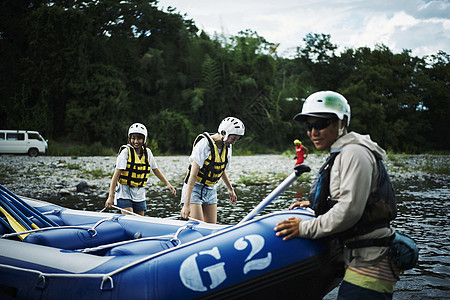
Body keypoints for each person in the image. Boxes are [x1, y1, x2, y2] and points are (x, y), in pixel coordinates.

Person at [274, 91, 399, 299]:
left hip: (371, 260)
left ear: (342, 122)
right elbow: (346, 196)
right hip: (356, 257)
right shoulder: (342, 152)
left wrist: (304, 228)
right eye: (309, 126)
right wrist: (314, 204)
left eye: (321, 124)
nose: (314, 132)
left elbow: (349, 210)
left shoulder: (354, 153)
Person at [180, 117, 245, 223]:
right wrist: (186, 205)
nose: (234, 142)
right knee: (198, 227)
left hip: (210, 190)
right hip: (195, 189)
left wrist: (231, 189)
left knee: (211, 228)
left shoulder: (226, 146)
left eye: (236, 139)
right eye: (233, 138)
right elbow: (192, 176)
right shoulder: (204, 144)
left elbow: (220, 169)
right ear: (224, 133)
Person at [105, 123, 176, 216]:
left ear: (144, 139)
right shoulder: (125, 152)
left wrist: (167, 183)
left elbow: (156, 170)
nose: (136, 141)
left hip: (139, 193)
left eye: (139, 138)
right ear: (129, 139)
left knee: (139, 220)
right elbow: (116, 176)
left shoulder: (148, 153)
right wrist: (111, 196)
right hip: (124, 192)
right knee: (130, 219)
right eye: (133, 138)